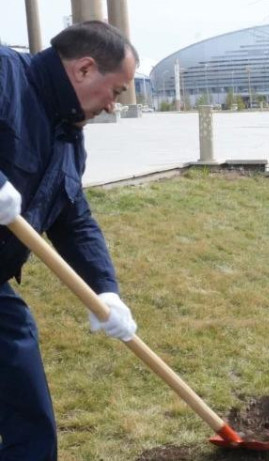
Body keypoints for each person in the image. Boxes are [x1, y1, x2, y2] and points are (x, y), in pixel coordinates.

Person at [0, 21, 140, 459]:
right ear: (83, 70)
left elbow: (74, 219)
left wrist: (106, 291)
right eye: (116, 92)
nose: (115, 106)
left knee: (26, 403)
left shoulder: (67, 137)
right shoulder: (5, 74)